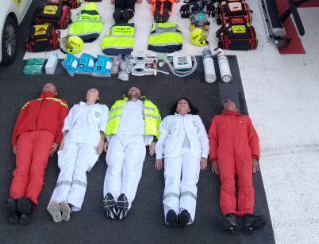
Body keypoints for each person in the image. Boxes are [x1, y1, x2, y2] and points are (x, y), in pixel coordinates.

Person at [7, 83, 69, 225]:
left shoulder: (61, 102)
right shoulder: (30, 103)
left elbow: (63, 123)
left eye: (51, 85)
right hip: (25, 135)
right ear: (42, 89)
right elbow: (18, 122)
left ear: (56, 91)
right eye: (45, 85)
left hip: (47, 134)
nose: (47, 85)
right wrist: (14, 142)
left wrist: (58, 141)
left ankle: (28, 202)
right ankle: (14, 201)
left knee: (37, 168)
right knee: (21, 169)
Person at [47, 88, 109, 223]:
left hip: (90, 140)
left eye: (95, 91)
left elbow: (103, 125)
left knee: (80, 169)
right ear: (86, 95)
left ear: (98, 97)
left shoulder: (103, 108)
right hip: (72, 138)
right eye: (90, 90)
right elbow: (67, 124)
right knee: (67, 168)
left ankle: (70, 202)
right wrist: (63, 139)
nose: (92, 91)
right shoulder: (76, 107)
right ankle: (57, 201)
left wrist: (102, 141)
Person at [103, 86, 161, 220]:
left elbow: (157, 122)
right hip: (117, 136)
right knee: (114, 167)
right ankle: (110, 199)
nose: (133, 90)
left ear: (141, 94)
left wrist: (155, 140)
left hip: (138, 137)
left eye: (136, 89)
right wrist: (106, 138)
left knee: (131, 168)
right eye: (131, 89)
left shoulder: (150, 105)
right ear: (127, 94)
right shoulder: (118, 104)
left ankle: (125, 201)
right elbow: (109, 120)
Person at [209, 99, 265, 233]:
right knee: (227, 183)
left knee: (246, 183)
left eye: (231, 101)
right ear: (223, 109)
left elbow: (253, 138)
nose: (228, 102)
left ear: (237, 108)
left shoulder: (245, 119)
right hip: (225, 155)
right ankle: (229, 216)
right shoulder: (217, 119)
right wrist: (214, 159)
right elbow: (212, 139)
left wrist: (254, 157)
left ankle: (248, 217)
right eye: (226, 102)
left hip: (244, 155)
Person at [155, 98, 209, 227]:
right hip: (172, 152)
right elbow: (161, 137)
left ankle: (186, 211)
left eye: (185, 103)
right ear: (176, 108)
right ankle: (171, 212)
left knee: (189, 181)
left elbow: (203, 137)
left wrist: (204, 155)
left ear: (189, 108)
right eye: (180, 103)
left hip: (192, 152)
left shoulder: (195, 119)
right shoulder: (168, 119)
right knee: (171, 179)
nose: (182, 104)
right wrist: (159, 155)